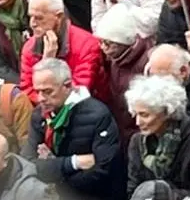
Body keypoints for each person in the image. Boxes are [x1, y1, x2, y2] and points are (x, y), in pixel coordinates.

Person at [25, 57, 123, 200]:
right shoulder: (39, 116)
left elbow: (104, 171)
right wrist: (73, 163)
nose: (40, 98)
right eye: (37, 91)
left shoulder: (98, 116)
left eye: (47, 91)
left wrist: (54, 171)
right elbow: (28, 165)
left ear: (67, 86)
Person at [122, 74, 190, 198]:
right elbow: (133, 189)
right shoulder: (137, 142)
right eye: (135, 114)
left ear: (167, 112)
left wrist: (165, 195)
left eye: (145, 115)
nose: (138, 122)